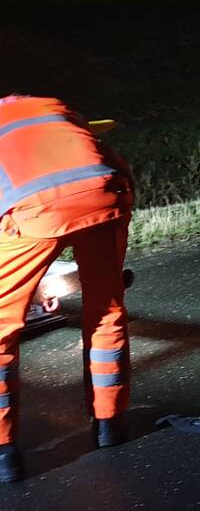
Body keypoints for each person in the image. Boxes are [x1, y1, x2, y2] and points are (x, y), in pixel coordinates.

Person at [0, 95, 135, 482]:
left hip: (36, 209)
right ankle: (110, 425)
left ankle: (4, 453)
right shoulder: (50, 107)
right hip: (109, 191)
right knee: (106, 310)